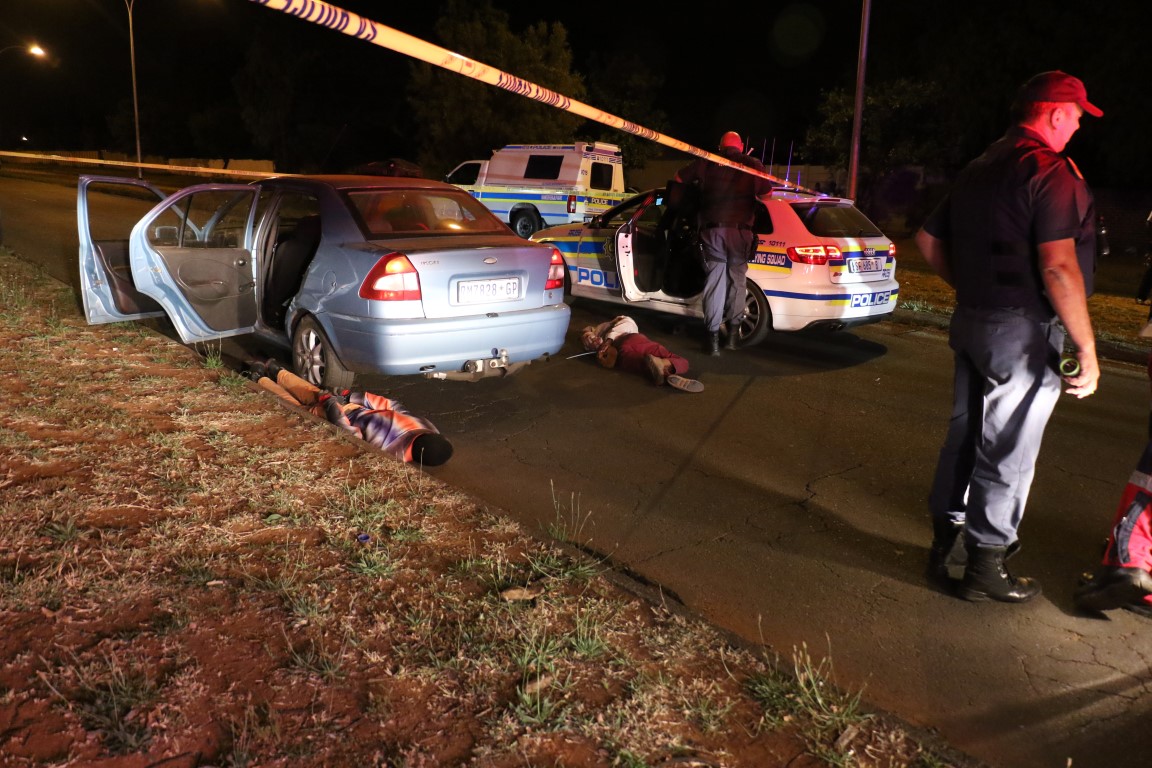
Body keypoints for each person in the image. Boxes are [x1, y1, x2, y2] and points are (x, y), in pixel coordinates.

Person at [915, 70, 1103, 603]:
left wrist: (975, 288)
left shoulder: (981, 166)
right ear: (1056, 113)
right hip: (1020, 330)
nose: (1078, 128)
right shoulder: (1050, 171)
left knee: (965, 435)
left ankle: (945, 545)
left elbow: (928, 240)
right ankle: (985, 564)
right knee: (1008, 447)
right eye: (1077, 117)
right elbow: (1059, 267)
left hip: (974, 320)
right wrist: (1087, 348)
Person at [674, 131, 774, 355]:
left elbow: (678, 178)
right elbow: (767, 196)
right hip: (741, 234)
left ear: (720, 147)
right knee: (737, 282)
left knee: (715, 282)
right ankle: (733, 338)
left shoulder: (707, 161)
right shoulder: (752, 164)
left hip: (713, 232)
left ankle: (712, 341)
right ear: (741, 146)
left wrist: (700, 189)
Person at [244, 359, 453, 466]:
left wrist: (337, 402)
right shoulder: (404, 442)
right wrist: (344, 399)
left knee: (306, 402)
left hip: (342, 413)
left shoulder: (404, 438)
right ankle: (269, 376)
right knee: (308, 398)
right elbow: (388, 408)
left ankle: (268, 376)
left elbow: (351, 431)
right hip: (348, 411)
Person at [580, 315, 704, 393]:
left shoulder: (608, 326)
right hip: (638, 343)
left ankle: (663, 371)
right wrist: (595, 344)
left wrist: (606, 342)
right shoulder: (596, 335)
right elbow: (589, 340)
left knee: (643, 365)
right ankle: (665, 367)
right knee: (681, 361)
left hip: (626, 348)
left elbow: (627, 322)